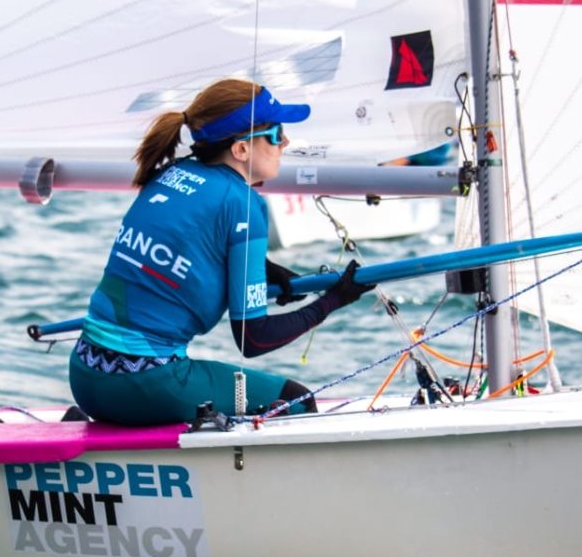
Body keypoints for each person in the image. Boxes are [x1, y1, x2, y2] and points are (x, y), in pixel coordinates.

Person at [69, 79, 374, 426]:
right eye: (275, 134)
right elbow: (253, 338)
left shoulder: (171, 173)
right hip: (145, 385)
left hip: (84, 375)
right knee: (296, 399)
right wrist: (333, 300)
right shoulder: (243, 204)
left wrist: (263, 267)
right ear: (241, 150)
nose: (285, 143)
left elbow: (189, 245)